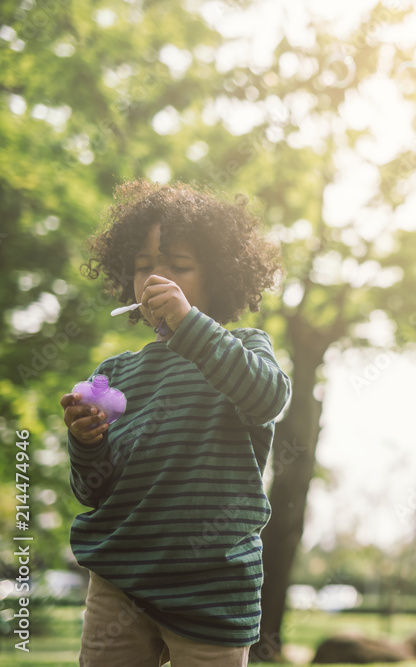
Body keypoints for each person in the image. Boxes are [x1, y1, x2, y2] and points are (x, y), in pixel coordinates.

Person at [59, 180, 291, 667]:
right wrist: (86, 442)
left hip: (213, 587)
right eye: (144, 268)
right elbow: (91, 490)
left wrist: (190, 325)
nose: (155, 281)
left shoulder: (244, 348)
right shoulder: (115, 373)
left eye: (178, 268)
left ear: (220, 277)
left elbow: (268, 397)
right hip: (120, 581)